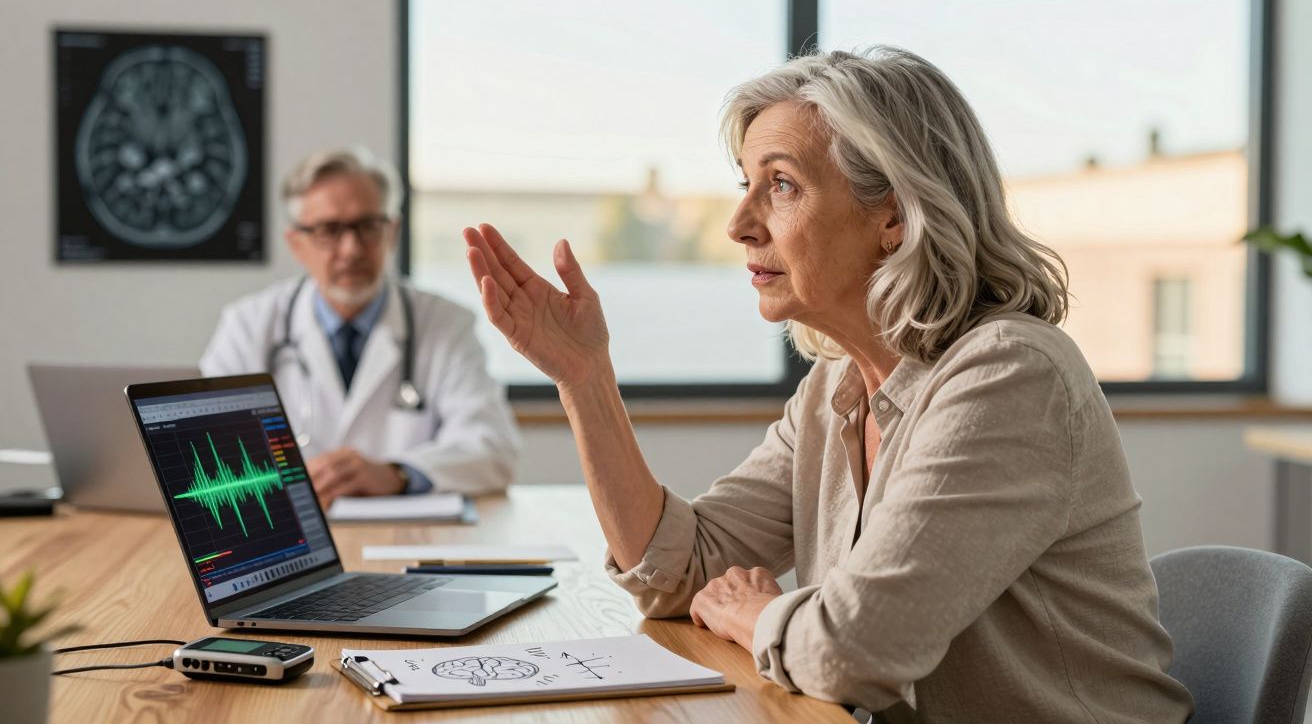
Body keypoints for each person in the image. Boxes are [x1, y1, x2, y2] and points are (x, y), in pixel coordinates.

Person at [461, 48, 1194, 722]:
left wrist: (758, 615)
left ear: (896, 216)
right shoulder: (835, 387)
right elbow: (681, 572)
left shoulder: (1009, 375)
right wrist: (586, 381)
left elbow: (853, 654)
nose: (741, 224)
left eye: (780, 185)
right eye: (746, 186)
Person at [201, 148, 519, 505]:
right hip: (292, 532)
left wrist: (397, 474)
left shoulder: (446, 323)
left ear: (392, 232)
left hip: (411, 540)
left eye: (368, 226)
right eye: (328, 230)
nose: (351, 249)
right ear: (296, 243)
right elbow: (210, 459)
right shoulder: (248, 325)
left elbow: (493, 449)